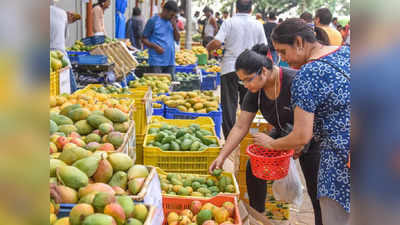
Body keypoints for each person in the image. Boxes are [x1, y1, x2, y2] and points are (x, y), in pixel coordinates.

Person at [209, 44, 323, 225]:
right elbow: (240, 126)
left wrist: (285, 145)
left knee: (316, 189)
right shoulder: (256, 91)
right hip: (285, 131)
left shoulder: (295, 82)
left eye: (248, 80)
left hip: (314, 135)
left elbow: (308, 128)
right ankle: (258, 216)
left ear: (263, 71)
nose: (245, 86)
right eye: (242, 82)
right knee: (254, 168)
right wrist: (222, 155)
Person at [267, 18, 351, 225]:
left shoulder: (308, 75)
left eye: (283, 52)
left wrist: (271, 144)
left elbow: (301, 136)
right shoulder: (346, 52)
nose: (282, 58)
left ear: (299, 42)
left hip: (339, 161)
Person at [206, 0, 267, 139]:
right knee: (249, 104)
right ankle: (247, 136)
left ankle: (230, 137)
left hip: (230, 68)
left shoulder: (229, 22)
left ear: (236, 9)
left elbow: (217, 42)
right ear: (251, 9)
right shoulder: (257, 24)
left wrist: (207, 48)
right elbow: (264, 46)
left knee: (228, 105)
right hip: (251, 70)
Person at [142, 0, 180, 80]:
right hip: (157, 61)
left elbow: (177, 38)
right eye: (171, 15)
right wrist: (156, 47)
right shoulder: (153, 21)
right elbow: (143, 39)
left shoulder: (172, 21)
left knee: (170, 85)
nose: (172, 17)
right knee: (157, 85)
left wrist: (175, 26)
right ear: (165, 11)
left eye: (174, 15)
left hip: (170, 61)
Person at [50, 0, 80, 92]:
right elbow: (64, 37)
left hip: (49, 60)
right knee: (72, 93)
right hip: (61, 57)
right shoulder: (62, 13)